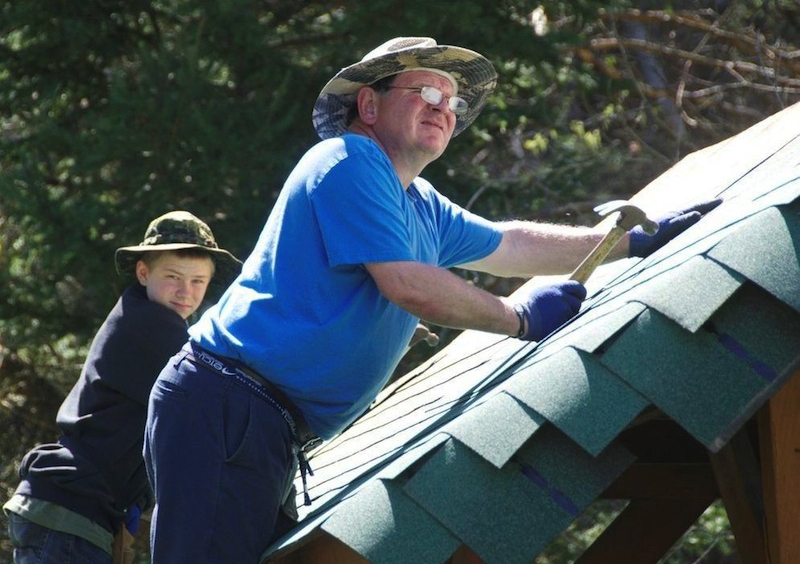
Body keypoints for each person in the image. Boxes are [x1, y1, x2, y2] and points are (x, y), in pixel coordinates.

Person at [143, 37, 720, 563]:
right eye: (423, 91)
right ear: (369, 105)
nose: (444, 106)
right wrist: (517, 317)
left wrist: (630, 241)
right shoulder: (348, 160)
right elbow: (408, 284)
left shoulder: (417, 202)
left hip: (261, 420)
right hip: (226, 404)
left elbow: (509, 243)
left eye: (452, 100)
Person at [3, 211, 241, 564]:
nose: (185, 292)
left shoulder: (141, 317)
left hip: (72, 513)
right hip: (71, 515)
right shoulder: (151, 325)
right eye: (173, 277)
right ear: (143, 272)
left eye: (198, 281)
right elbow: (222, 394)